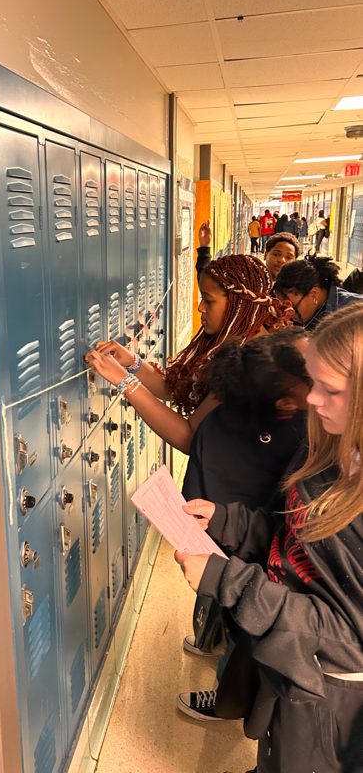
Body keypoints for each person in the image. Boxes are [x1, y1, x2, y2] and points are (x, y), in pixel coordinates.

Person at [175, 303, 363, 773]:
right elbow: (293, 534)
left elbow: (346, 638)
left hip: (329, 696)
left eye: (330, 389)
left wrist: (226, 581)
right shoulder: (333, 448)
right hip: (291, 673)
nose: (312, 400)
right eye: (313, 383)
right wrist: (225, 520)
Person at [177, 329, 311, 721]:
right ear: (288, 400)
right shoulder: (301, 432)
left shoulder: (223, 419)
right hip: (256, 555)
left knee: (233, 614)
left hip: (227, 547)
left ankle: (216, 652)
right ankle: (226, 699)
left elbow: (195, 491)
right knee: (244, 630)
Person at [85, 255, 294, 454]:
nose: (201, 307)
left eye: (208, 300)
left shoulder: (250, 363)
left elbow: (189, 438)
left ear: (238, 305)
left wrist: (125, 382)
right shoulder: (241, 339)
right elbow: (177, 389)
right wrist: (132, 362)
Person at [275, 255, 363, 331]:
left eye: (293, 307)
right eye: (283, 309)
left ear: (314, 293)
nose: (288, 315)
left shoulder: (356, 313)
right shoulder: (307, 315)